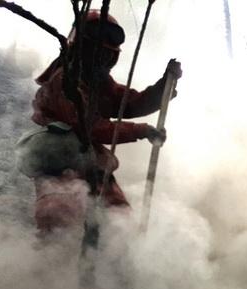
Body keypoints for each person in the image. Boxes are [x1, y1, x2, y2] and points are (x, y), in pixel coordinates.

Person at [22, 10, 182, 234]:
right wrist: (142, 130)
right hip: (58, 160)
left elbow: (128, 103)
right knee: (58, 216)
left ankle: (119, 257)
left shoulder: (98, 81)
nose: (102, 61)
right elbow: (91, 126)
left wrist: (163, 86)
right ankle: (51, 264)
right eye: (97, 54)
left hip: (90, 158)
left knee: (118, 215)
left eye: (108, 56)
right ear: (81, 48)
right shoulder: (63, 81)